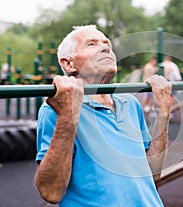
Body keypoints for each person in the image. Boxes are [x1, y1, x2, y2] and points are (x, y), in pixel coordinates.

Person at [34, 25, 172, 207]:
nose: (105, 47)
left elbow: (152, 174)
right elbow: (51, 192)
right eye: (91, 44)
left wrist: (163, 113)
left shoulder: (130, 103)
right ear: (68, 64)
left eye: (107, 44)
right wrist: (68, 113)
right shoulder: (54, 109)